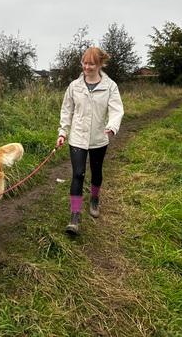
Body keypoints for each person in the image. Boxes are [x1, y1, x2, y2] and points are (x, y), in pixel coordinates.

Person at [56, 47, 124, 235]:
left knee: (96, 172)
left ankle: (94, 199)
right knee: (78, 174)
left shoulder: (110, 86)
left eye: (91, 64)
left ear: (100, 64)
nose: (87, 67)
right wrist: (62, 132)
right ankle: (75, 217)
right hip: (77, 137)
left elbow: (117, 110)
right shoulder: (74, 86)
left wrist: (112, 127)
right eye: (85, 63)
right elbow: (66, 110)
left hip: (99, 138)